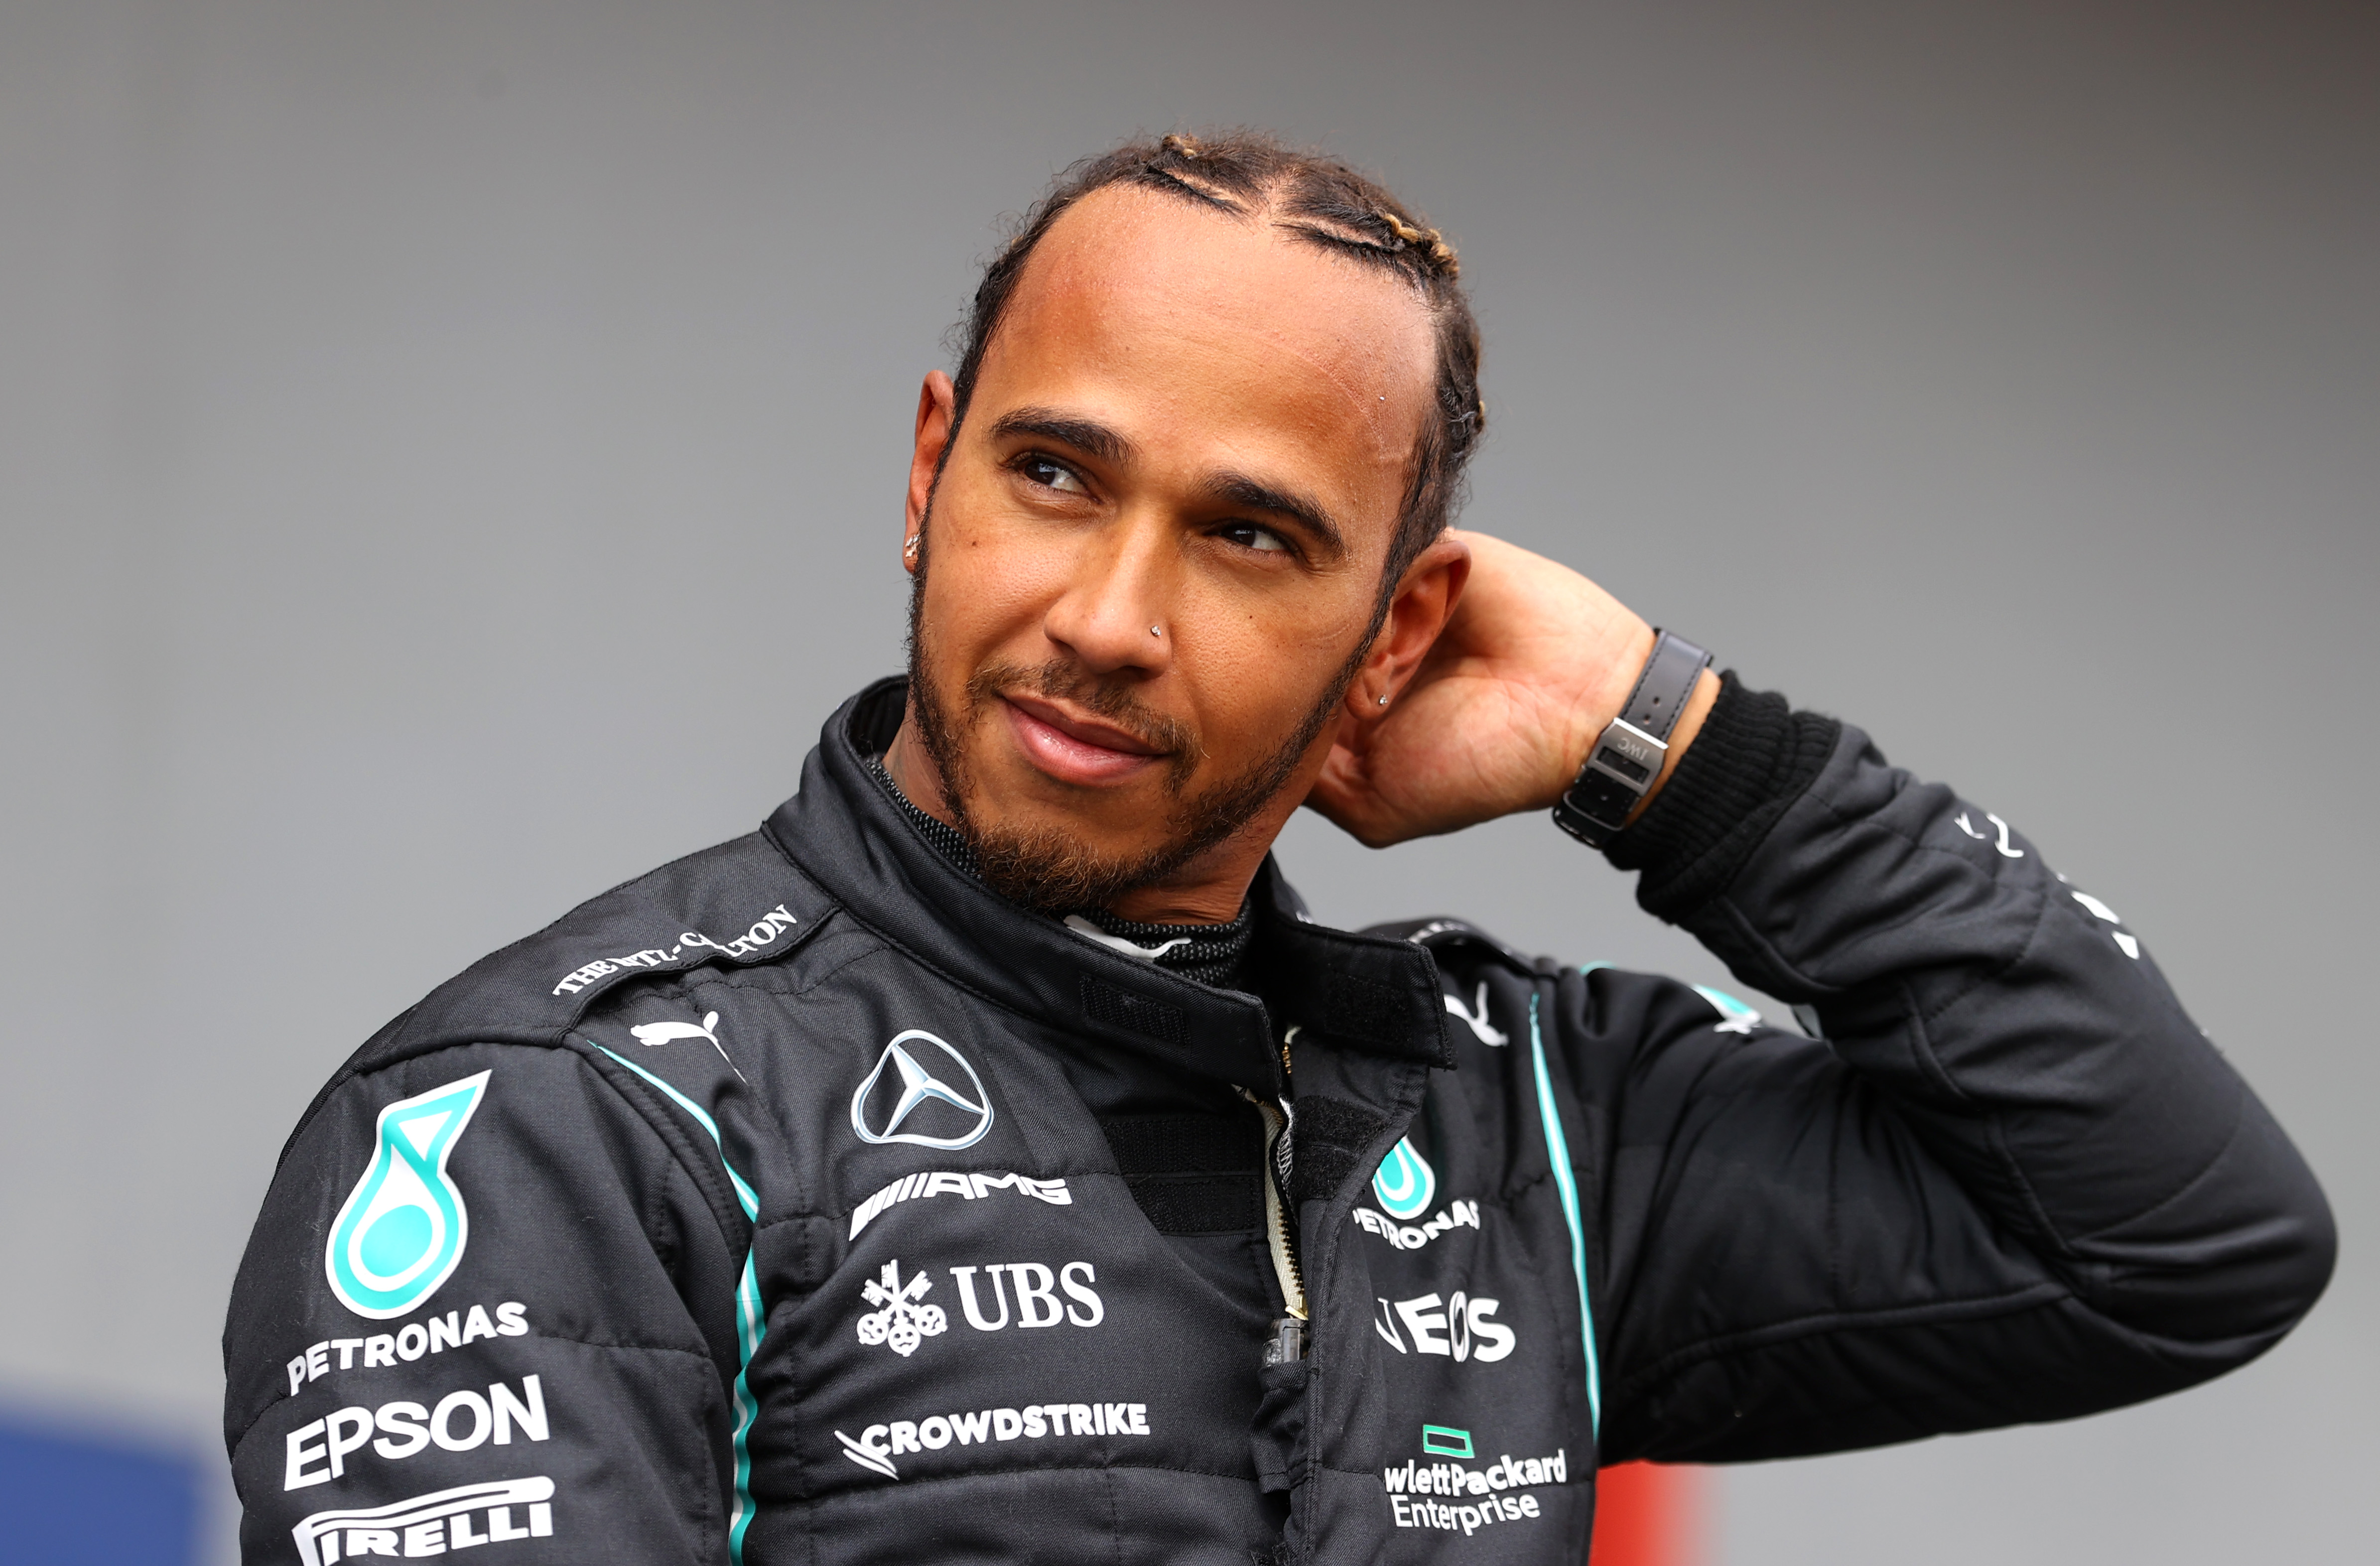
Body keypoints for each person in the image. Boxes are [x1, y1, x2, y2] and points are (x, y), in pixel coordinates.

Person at [223, 130, 2332, 1566]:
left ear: (1394, 631)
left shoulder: (1518, 1125)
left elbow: (2174, 1241)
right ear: (931, 471)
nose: (1109, 618)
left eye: (1250, 536)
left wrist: (1686, 762)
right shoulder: (566, 1122)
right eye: (1055, 476)